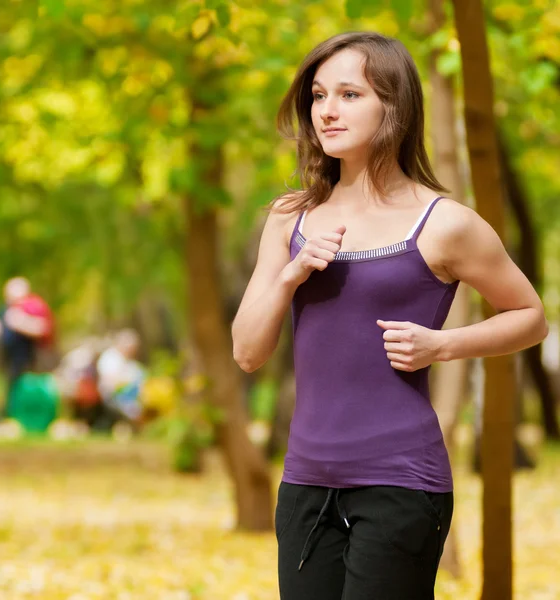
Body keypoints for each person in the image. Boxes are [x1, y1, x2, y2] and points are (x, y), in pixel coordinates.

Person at [231, 32, 548, 600]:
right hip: (304, 483)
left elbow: (530, 315)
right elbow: (248, 353)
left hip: (401, 483)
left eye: (349, 94)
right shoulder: (289, 218)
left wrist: (441, 345)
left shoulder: (444, 223)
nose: (327, 110)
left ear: (394, 106)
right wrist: (289, 275)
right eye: (319, 95)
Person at [0, 276, 55, 420]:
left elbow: (43, 328)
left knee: (27, 388)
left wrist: (22, 323)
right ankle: (8, 414)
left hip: (32, 358)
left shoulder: (33, 307)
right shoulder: (7, 309)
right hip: (11, 358)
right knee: (11, 385)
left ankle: (27, 417)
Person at [96, 328, 146, 426]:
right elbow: (110, 382)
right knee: (133, 408)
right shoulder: (110, 358)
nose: (132, 351)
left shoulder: (131, 362)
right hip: (113, 396)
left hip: (131, 396)